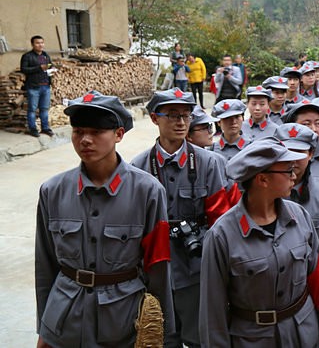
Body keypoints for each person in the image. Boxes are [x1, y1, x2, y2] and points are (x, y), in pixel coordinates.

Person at [35, 91, 175, 346]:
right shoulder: (52, 191)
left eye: (97, 132)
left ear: (119, 135)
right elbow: (45, 267)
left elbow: (158, 267)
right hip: (65, 321)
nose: (85, 140)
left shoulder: (147, 191)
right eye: (78, 131)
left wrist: (163, 335)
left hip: (121, 323)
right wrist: (45, 330)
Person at [199, 139, 319, 347]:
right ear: (262, 179)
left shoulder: (300, 216)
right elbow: (213, 310)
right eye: (287, 170)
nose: (294, 176)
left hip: (302, 332)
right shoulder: (222, 235)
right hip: (253, 339)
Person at [129, 88, 233, 348]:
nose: (181, 122)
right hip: (155, 270)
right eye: (172, 115)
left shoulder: (210, 163)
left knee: (200, 338)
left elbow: (221, 220)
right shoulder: (138, 167)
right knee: (161, 339)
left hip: (197, 270)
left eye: (186, 115)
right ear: (155, 118)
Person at [275, 122, 319, 322]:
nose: (293, 159)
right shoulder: (264, 195)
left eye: (300, 152)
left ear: (310, 155)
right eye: (286, 151)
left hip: (309, 295)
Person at [20, 35, 54, 137]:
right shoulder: (27, 56)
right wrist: (39, 68)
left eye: (42, 43)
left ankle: (45, 128)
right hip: (33, 86)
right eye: (37, 43)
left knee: (44, 109)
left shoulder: (45, 55)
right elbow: (24, 69)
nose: (40, 45)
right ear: (32, 44)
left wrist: (52, 72)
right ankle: (33, 129)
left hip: (46, 86)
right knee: (32, 109)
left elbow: (49, 67)